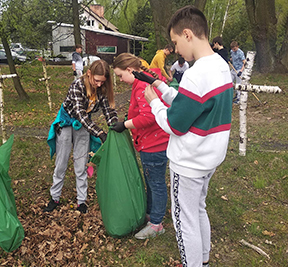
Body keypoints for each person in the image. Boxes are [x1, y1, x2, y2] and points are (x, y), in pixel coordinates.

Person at [135, 5, 233, 267]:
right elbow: (193, 105)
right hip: (209, 158)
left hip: (189, 162)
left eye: (176, 41)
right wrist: (163, 88)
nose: (176, 49)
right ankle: (202, 261)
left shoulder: (195, 74)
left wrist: (154, 102)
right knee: (198, 210)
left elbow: (174, 124)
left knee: (184, 220)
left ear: (188, 34)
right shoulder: (220, 67)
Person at [44, 60, 118, 214]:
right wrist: (99, 132)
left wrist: (114, 126)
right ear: (89, 74)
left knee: (81, 162)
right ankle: (55, 197)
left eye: (102, 81)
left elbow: (108, 110)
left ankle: (81, 201)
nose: (98, 84)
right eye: (96, 80)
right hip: (67, 122)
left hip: (83, 125)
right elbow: (81, 114)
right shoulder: (77, 85)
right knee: (61, 162)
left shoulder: (101, 88)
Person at [111, 53, 169, 239]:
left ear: (130, 70)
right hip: (151, 142)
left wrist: (125, 125)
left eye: (121, 75)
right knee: (152, 182)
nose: (120, 80)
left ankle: (157, 224)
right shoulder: (142, 83)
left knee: (156, 183)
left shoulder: (142, 87)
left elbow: (149, 116)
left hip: (154, 144)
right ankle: (152, 215)